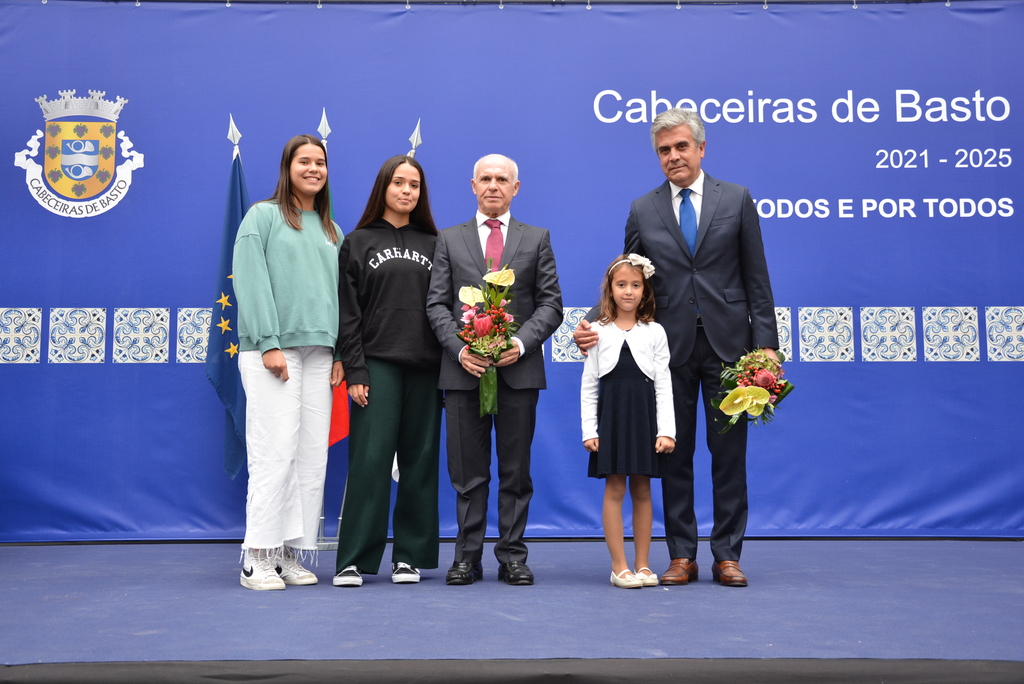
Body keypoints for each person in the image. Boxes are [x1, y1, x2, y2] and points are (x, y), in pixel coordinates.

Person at [575, 109, 778, 587]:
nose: (673, 157)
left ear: (701, 149)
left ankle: (727, 554)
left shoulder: (738, 199)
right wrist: (593, 323)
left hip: (731, 348)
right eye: (664, 151)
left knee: (729, 455)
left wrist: (766, 345)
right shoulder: (643, 209)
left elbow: (757, 279)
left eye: (681, 147)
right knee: (673, 453)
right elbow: (624, 277)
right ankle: (681, 556)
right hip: (667, 351)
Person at [426, 154, 563, 586]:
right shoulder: (448, 239)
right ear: (472, 185)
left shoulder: (536, 238)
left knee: (516, 471)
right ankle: (466, 556)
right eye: (485, 179)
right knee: (467, 474)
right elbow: (437, 305)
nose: (493, 186)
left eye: (502, 179)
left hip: (517, 375)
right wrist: (459, 350)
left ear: (515, 188)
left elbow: (551, 304)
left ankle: (512, 557)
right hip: (463, 374)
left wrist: (521, 344)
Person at [233, 135, 344, 590]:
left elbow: (339, 298)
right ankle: (255, 556)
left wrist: (339, 353)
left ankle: (285, 555)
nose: (314, 168)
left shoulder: (331, 229)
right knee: (274, 453)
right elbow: (252, 280)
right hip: (272, 352)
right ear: (287, 167)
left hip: (321, 354)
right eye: (305, 161)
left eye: (320, 162)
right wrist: (269, 342)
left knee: (309, 457)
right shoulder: (262, 216)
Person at [332, 155, 442, 588]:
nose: (407, 191)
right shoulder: (358, 241)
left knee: (420, 461)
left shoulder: (437, 243)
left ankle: (410, 556)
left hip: (427, 368)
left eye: (414, 185)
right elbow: (348, 312)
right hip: (375, 365)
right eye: (399, 183)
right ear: (383, 187)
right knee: (370, 461)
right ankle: (353, 559)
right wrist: (356, 369)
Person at [581, 254, 675, 589]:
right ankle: (619, 565)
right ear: (610, 289)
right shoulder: (596, 331)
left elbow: (663, 382)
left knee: (643, 488)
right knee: (615, 486)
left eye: (636, 285)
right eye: (621, 285)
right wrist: (589, 430)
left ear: (645, 290)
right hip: (611, 419)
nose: (629, 291)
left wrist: (666, 430)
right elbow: (590, 384)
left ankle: (644, 565)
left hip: (644, 419)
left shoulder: (655, 332)